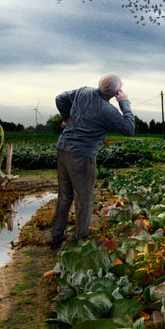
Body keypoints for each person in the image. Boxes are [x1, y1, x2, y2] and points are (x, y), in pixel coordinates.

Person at [49, 73, 135, 246]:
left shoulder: (83, 91)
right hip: (81, 156)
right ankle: (81, 239)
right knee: (84, 198)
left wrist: (67, 118)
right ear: (116, 92)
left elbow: (60, 99)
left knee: (65, 195)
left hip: (63, 147)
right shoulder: (108, 111)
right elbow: (129, 128)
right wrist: (124, 103)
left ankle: (56, 236)